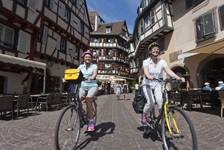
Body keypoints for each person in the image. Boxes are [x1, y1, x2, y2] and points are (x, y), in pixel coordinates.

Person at [140, 42, 185, 126]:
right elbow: (145, 70)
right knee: (151, 103)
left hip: (157, 84)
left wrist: (178, 77)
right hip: (147, 84)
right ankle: (144, 116)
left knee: (160, 102)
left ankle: (163, 121)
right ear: (150, 51)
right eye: (154, 49)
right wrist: (148, 75)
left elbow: (168, 70)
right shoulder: (146, 61)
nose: (156, 51)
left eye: (157, 49)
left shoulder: (162, 62)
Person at [78, 50, 98, 131]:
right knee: (78, 99)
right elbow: (75, 74)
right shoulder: (80, 67)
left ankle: (91, 121)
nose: (88, 58)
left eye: (89, 57)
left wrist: (92, 77)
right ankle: (81, 113)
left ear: (91, 58)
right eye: (86, 57)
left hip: (92, 86)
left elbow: (95, 73)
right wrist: (66, 79)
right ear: (83, 58)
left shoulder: (94, 66)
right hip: (83, 86)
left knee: (88, 99)